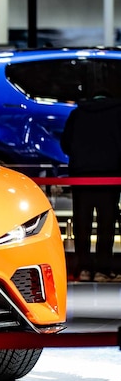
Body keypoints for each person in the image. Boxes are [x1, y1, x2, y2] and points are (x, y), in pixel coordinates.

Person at [60, 90, 121, 282]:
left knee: (82, 224)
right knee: (106, 224)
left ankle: (84, 267)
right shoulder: (118, 113)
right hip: (110, 175)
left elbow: (65, 144)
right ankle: (103, 268)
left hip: (82, 176)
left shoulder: (77, 113)